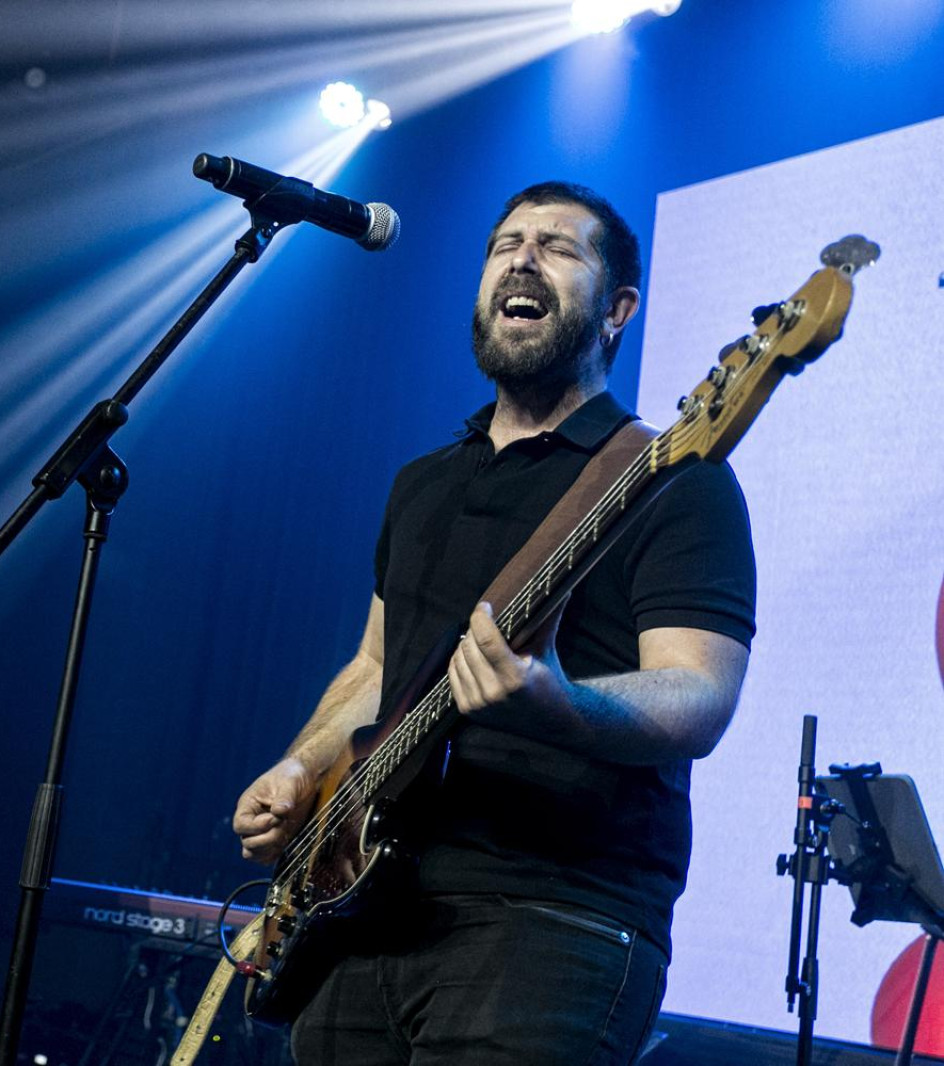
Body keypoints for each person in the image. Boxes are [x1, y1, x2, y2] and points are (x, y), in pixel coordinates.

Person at [231, 183, 756, 1065]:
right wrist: (300, 766)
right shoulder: (423, 482)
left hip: (553, 915)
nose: (521, 258)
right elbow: (374, 668)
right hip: (367, 911)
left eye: (558, 247)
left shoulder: (674, 479)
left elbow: (700, 694)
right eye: (504, 243)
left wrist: (557, 705)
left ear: (619, 309)